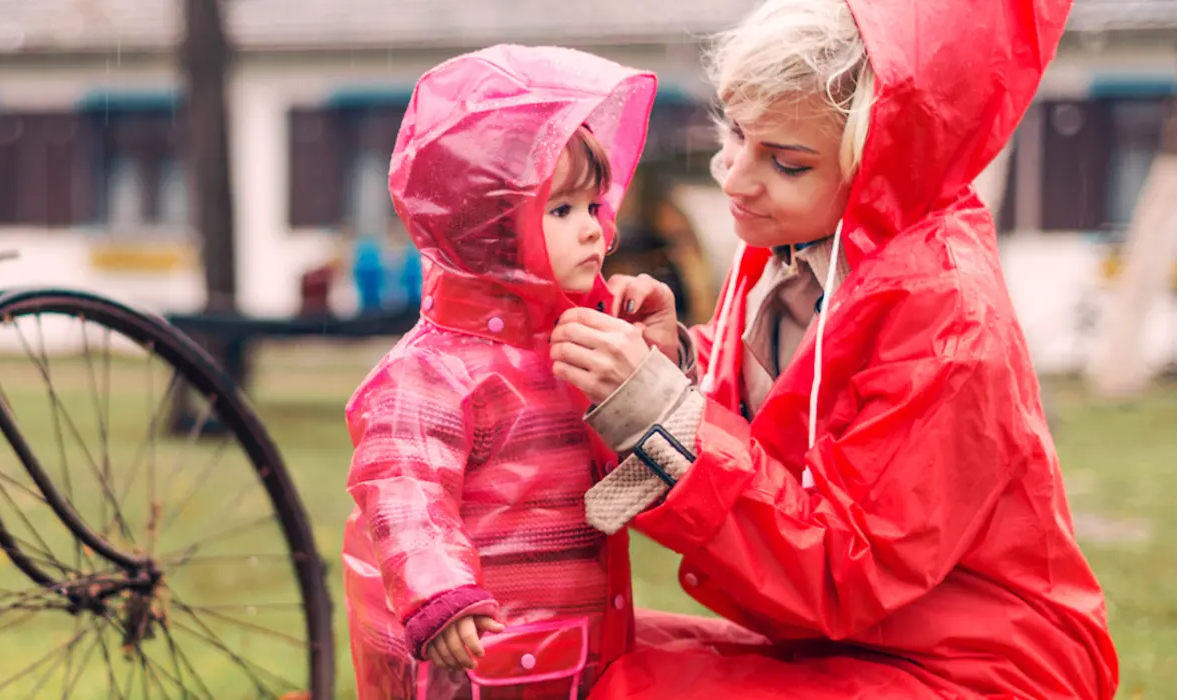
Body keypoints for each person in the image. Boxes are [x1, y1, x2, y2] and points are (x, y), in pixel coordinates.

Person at [547, 0, 1120, 697]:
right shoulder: (803, 241)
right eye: (736, 134)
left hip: (980, 669)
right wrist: (678, 364)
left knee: (620, 687)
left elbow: (845, 568)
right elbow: (785, 426)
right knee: (570, 643)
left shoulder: (948, 319)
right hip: (849, 642)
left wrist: (659, 410)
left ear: (883, 161)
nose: (734, 177)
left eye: (786, 163)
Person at [341, 44, 657, 698]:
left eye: (595, 207)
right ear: (490, 232)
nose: (595, 231)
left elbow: (618, 490)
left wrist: (653, 367)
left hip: (574, 641)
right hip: (477, 654)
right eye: (562, 210)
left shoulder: (571, 346)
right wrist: (440, 590)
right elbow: (401, 490)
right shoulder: (432, 372)